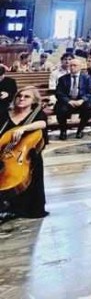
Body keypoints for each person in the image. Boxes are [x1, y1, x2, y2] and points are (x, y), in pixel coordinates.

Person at [0, 86, 48, 218]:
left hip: (25, 157)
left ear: (34, 100)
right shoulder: (5, 113)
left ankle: (20, 207)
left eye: (26, 97)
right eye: (19, 96)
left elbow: (42, 123)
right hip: (4, 152)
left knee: (23, 175)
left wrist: (23, 128)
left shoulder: (37, 114)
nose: (21, 99)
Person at [54, 58, 91, 140]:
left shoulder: (86, 78)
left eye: (74, 65)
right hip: (68, 102)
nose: (72, 67)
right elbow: (59, 93)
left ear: (80, 67)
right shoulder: (62, 79)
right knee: (60, 109)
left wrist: (82, 100)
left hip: (81, 101)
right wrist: (69, 101)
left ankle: (80, 130)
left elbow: (89, 93)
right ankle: (63, 131)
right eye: (71, 65)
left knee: (88, 108)